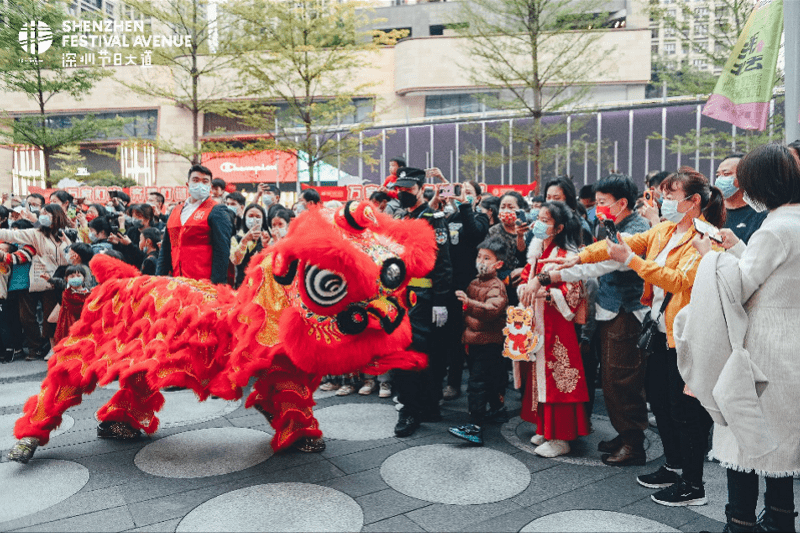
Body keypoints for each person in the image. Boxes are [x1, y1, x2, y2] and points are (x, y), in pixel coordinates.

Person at [547, 167, 725, 506]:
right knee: (659, 400)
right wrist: (578, 256)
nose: (664, 201)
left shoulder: (708, 237)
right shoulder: (664, 230)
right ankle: (673, 467)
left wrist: (632, 261)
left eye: (671, 196)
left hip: (685, 333)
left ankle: (693, 484)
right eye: (665, 195)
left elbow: (678, 280)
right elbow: (617, 244)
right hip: (658, 329)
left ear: (694, 201)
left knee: (684, 410)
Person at [690, 144, 800, 532]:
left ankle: (739, 523)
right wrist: (736, 248)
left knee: (745, 438)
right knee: (781, 443)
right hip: (791, 340)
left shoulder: (777, 226)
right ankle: (782, 521)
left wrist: (709, 256)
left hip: (763, 344)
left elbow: (739, 286)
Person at [535, 175, 652, 466]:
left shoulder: (637, 229)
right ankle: (624, 432)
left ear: (622, 203)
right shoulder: (612, 224)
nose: (596, 207)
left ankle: (633, 442)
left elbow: (601, 265)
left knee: (621, 378)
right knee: (611, 378)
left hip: (626, 312)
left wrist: (558, 273)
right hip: (609, 310)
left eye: (601, 202)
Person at [516, 201, 590, 457]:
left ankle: (561, 437)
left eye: (545, 220)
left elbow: (574, 292)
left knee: (558, 377)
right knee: (541, 377)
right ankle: (546, 428)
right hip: (539, 324)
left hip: (557, 327)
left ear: (558, 227)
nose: (538, 224)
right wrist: (525, 289)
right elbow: (527, 277)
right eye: (538, 218)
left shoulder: (565, 256)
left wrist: (544, 293)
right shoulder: (538, 252)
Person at [392, 167, 452, 437]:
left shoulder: (431, 218)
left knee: (418, 353)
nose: (402, 193)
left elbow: (443, 263)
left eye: (407, 188)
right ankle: (418, 405)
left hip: (424, 298)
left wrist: (440, 300)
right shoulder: (405, 217)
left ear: (420, 188)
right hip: (404, 298)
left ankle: (412, 409)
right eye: (399, 188)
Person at [448, 235, 509, 446]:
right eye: (479, 256)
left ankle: (474, 426)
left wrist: (469, 302)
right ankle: (497, 409)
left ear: (498, 264)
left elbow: (492, 310)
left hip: (489, 342)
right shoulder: (475, 281)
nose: (480, 261)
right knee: (487, 380)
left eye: (486, 258)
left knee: (477, 383)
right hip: (474, 340)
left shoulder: (497, 286)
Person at [441, 180, 491, 401]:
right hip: (452, 286)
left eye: (470, 193)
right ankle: (453, 382)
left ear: (478, 198)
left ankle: (477, 385)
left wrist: (465, 207)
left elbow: (474, 235)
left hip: (473, 287)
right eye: (462, 192)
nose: (464, 196)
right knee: (452, 336)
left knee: (473, 334)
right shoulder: (452, 218)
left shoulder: (481, 218)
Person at [0, 204, 70, 360]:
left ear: (56, 216)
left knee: (50, 317)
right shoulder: (35, 233)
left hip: (57, 282)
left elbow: (72, 256)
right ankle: (36, 347)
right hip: (38, 279)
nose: (42, 215)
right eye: (42, 213)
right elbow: (10, 235)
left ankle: (53, 347)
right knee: (26, 317)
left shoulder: (65, 235)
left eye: (46, 213)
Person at [156, 165, 233, 284]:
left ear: (210, 186)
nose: (200, 184)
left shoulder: (217, 210)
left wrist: (217, 286)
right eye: (196, 180)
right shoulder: (175, 211)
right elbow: (166, 249)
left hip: (203, 284)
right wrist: (159, 279)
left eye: (205, 181)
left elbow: (222, 251)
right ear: (188, 184)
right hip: (177, 281)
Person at [714, 153, 767, 244]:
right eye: (718, 175)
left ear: (745, 177)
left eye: (726, 174)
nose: (720, 180)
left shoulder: (761, 214)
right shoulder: (709, 209)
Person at [488, 191, 529, 301]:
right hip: (500, 288)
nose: (506, 210)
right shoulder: (493, 232)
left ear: (520, 210)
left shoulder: (528, 230)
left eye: (511, 207)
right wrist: (505, 279)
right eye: (503, 207)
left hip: (525, 286)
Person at [43, 264, 91, 346]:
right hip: (68, 322)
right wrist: (50, 279)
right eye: (72, 276)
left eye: (78, 276)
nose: (76, 278)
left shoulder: (88, 293)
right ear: (66, 279)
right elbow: (58, 281)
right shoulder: (66, 292)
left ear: (84, 278)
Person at [230, 204, 269, 288]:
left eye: (258, 217)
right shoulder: (236, 239)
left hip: (263, 286)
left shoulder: (268, 238)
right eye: (250, 216)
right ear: (245, 218)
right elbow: (236, 261)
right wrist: (244, 241)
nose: (254, 219)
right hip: (242, 284)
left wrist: (265, 245)